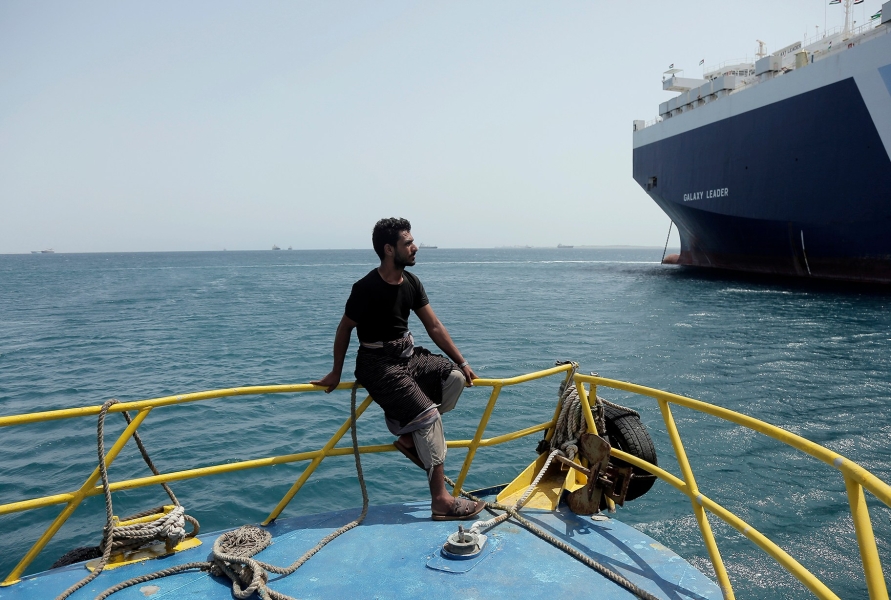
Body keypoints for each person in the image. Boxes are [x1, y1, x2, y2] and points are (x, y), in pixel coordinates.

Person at [312, 217, 485, 521]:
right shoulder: (365, 288)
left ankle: (409, 436)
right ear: (390, 249)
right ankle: (441, 501)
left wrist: (463, 362)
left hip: (408, 358)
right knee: (428, 415)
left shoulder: (412, 283)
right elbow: (344, 328)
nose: (415, 247)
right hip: (377, 364)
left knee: (455, 380)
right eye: (408, 243)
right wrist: (336, 371)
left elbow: (433, 325)